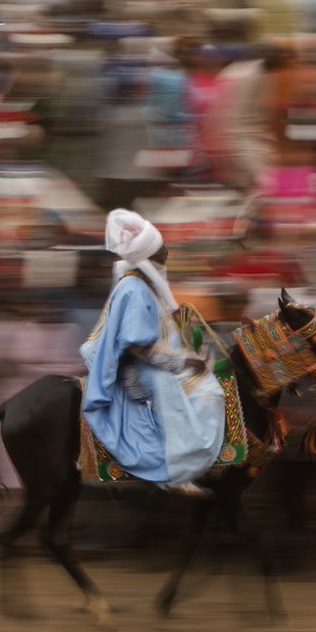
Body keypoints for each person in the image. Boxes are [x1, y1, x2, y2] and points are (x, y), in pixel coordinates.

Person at [80, 209, 224, 497]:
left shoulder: (144, 284)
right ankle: (175, 471)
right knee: (206, 395)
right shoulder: (134, 288)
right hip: (138, 368)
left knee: (209, 381)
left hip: (154, 360)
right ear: (150, 255)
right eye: (162, 249)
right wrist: (184, 361)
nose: (167, 252)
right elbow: (138, 346)